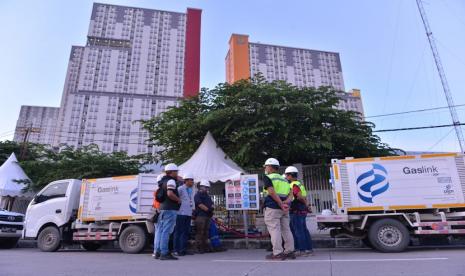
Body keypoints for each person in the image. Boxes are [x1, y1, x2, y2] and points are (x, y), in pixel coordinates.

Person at [262, 158, 295, 260]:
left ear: (270, 167)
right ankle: (289, 251)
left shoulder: (268, 177)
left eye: (266, 166)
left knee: (274, 230)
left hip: (273, 208)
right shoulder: (284, 179)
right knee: (286, 230)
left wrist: (281, 204)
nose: (265, 168)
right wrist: (285, 203)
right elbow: (291, 194)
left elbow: (271, 192)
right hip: (284, 209)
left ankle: (277, 253)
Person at [155, 163, 182, 261]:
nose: (177, 173)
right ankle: (164, 253)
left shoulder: (163, 181)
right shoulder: (171, 181)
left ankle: (158, 252)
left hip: (163, 208)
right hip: (170, 209)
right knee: (166, 231)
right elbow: (170, 193)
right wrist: (178, 200)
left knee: (162, 231)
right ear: (172, 172)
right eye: (176, 171)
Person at [285, 166, 313, 257]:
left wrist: (305, 204)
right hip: (301, 210)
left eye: (286, 175)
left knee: (298, 230)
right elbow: (303, 196)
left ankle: (301, 249)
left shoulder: (293, 185)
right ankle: (308, 249)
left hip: (296, 210)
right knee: (303, 229)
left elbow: (299, 196)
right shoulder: (299, 184)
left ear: (290, 175)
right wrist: (307, 205)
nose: (286, 177)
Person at [173, 173, 195, 256]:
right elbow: (175, 198)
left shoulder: (191, 189)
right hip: (180, 213)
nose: (192, 182)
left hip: (188, 213)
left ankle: (183, 249)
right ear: (186, 181)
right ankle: (176, 250)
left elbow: (191, 201)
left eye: (192, 180)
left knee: (186, 232)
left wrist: (193, 210)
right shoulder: (180, 189)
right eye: (191, 180)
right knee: (179, 231)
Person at [194, 180, 214, 254]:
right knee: (200, 232)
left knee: (206, 232)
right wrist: (208, 210)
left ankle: (204, 247)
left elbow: (211, 204)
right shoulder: (197, 195)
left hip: (207, 216)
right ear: (202, 187)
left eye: (208, 187)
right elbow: (199, 204)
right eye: (206, 187)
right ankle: (198, 248)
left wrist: (211, 209)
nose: (207, 189)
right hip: (200, 216)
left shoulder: (207, 196)